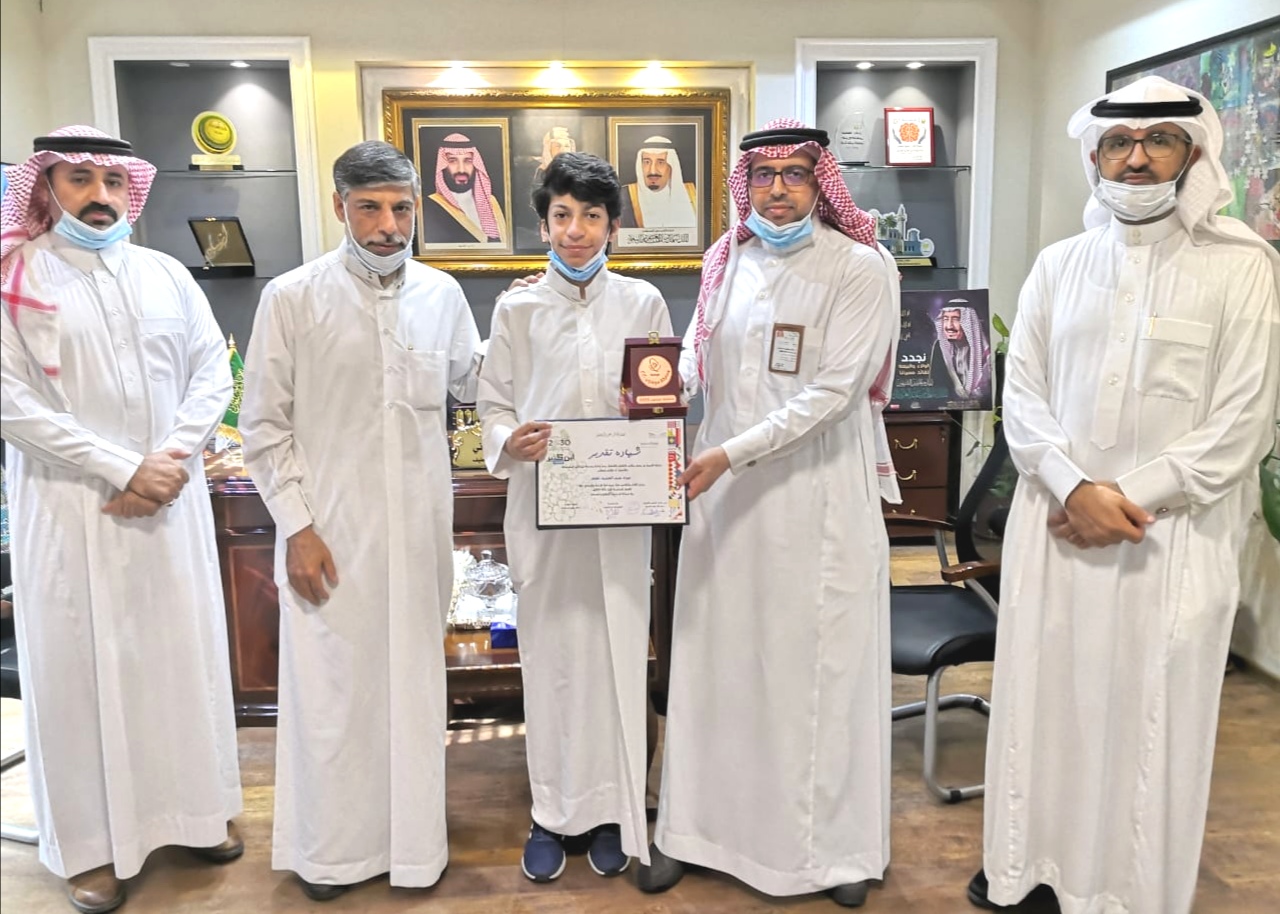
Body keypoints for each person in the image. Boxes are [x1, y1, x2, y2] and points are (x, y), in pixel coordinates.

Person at [972, 76, 1280, 913]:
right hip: (1056, 526)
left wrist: (1126, 497)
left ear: (1194, 154)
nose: (1136, 159)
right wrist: (1075, 489)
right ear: (1095, 155)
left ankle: (1128, 892)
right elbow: (1022, 398)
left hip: (1172, 539)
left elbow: (1243, 421)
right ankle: (1029, 870)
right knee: (1046, 708)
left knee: (1152, 721)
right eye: (1118, 143)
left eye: (1158, 141)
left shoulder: (1242, 267)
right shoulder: (1058, 265)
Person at [640, 117, 901, 908]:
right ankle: (695, 833)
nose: (777, 190)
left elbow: (835, 393)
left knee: (815, 671)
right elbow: (698, 358)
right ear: (744, 184)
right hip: (724, 502)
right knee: (718, 667)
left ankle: (834, 852)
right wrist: (656, 391)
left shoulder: (859, 266)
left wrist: (728, 452)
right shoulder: (727, 259)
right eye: (763, 175)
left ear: (820, 183)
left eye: (794, 174)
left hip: (815, 501)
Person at [0, 126, 243, 914]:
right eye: (79, 178)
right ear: (46, 186)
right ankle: (91, 850)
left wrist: (165, 460)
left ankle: (196, 816)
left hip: (170, 504)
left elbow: (212, 373)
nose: (99, 196)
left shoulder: (166, 273)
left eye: (111, 180)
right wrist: (121, 466)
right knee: (78, 676)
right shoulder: (15, 278)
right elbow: (11, 403)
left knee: (179, 660)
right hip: (71, 510)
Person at [239, 140, 481, 902]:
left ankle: (414, 850)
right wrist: (297, 527)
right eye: (370, 208)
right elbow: (262, 427)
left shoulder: (443, 294)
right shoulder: (292, 298)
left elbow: (478, 388)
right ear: (339, 206)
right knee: (334, 697)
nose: (388, 226)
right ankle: (333, 855)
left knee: (414, 694)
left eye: (401, 209)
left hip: (419, 540)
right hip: (329, 537)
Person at [477, 151, 673, 884]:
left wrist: (657, 418)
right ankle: (553, 813)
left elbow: (664, 396)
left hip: (620, 512)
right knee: (554, 658)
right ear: (544, 225)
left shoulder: (643, 303)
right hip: (543, 509)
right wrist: (509, 440)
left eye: (592, 216)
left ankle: (617, 809)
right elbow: (493, 404)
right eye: (563, 216)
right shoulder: (517, 309)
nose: (577, 231)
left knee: (619, 653)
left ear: (613, 227)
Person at [420, 132, 508, 244]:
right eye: (452, 161)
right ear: (443, 166)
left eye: (468, 161)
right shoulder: (428, 207)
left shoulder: (494, 202)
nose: (461, 169)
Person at [619, 136, 697, 229]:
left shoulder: (694, 194)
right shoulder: (624, 196)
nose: (652, 171)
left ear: (671, 166)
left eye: (660, 162)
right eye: (647, 162)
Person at [928, 300, 992, 400]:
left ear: (969, 323)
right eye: (945, 319)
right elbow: (936, 384)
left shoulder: (984, 350)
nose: (949, 326)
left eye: (956, 319)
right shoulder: (939, 348)